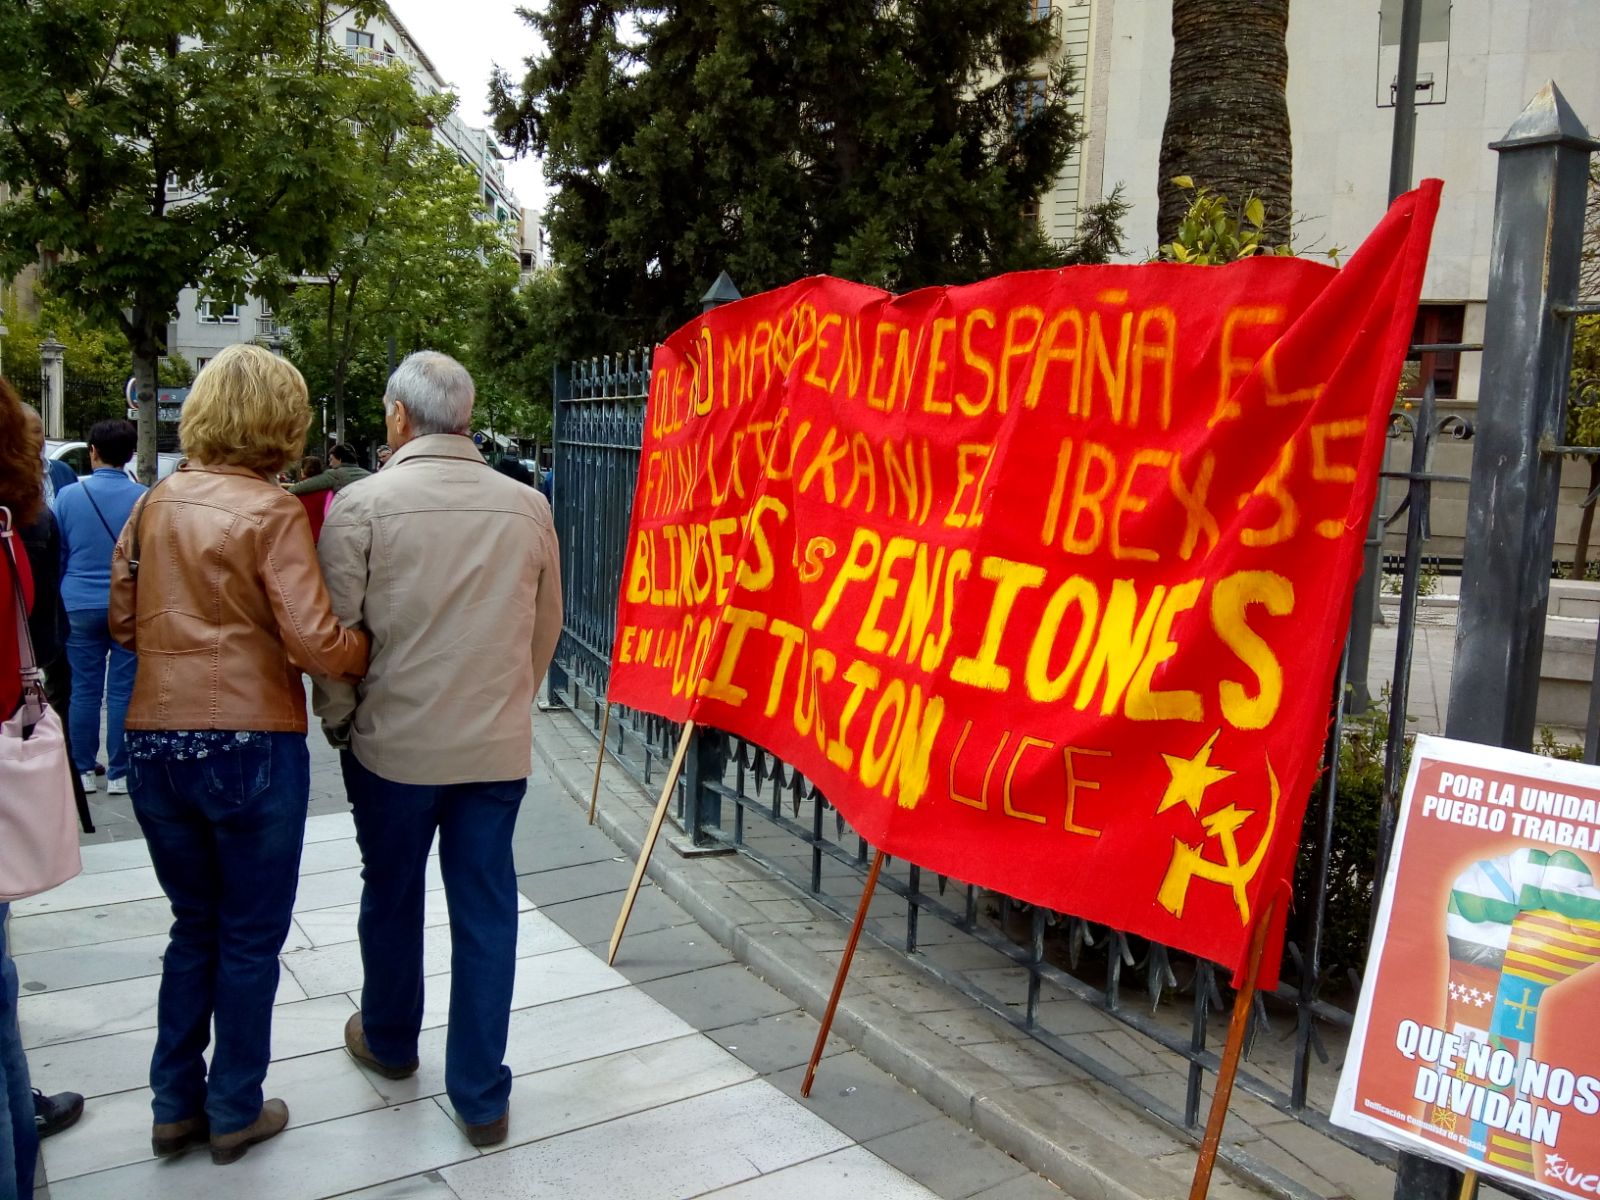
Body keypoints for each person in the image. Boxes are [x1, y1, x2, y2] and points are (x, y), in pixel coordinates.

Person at [109, 344, 369, 1165]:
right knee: (250, 938)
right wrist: (366, 648)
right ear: (282, 422)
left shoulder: (153, 504)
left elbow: (122, 623)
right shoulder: (271, 510)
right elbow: (314, 641)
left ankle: (172, 1106)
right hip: (249, 742)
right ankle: (233, 1109)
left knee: (193, 927)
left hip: (155, 738)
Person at [314, 352, 561, 1147]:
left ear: (398, 416)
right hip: (492, 747)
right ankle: (481, 1095)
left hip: (394, 746)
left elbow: (337, 638)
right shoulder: (527, 506)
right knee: (486, 908)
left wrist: (341, 721)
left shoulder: (361, 505)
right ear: (467, 414)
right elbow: (546, 624)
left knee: (391, 894)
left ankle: (390, 1040)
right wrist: (509, 702)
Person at [54, 420, 144, 797]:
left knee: (83, 690)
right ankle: (121, 773)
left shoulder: (68, 497)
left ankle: (83, 769)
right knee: (123, 689)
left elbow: (58, 553)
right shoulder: (144, 498)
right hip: (128, 604)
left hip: (77, 603)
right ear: (130, 454)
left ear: (93, 451)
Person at [287, 444, 368, 499]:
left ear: (340, 459)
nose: (330, 464)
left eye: (331, 459)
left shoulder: (334, 474)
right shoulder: (368, 474)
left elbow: (299, 488)